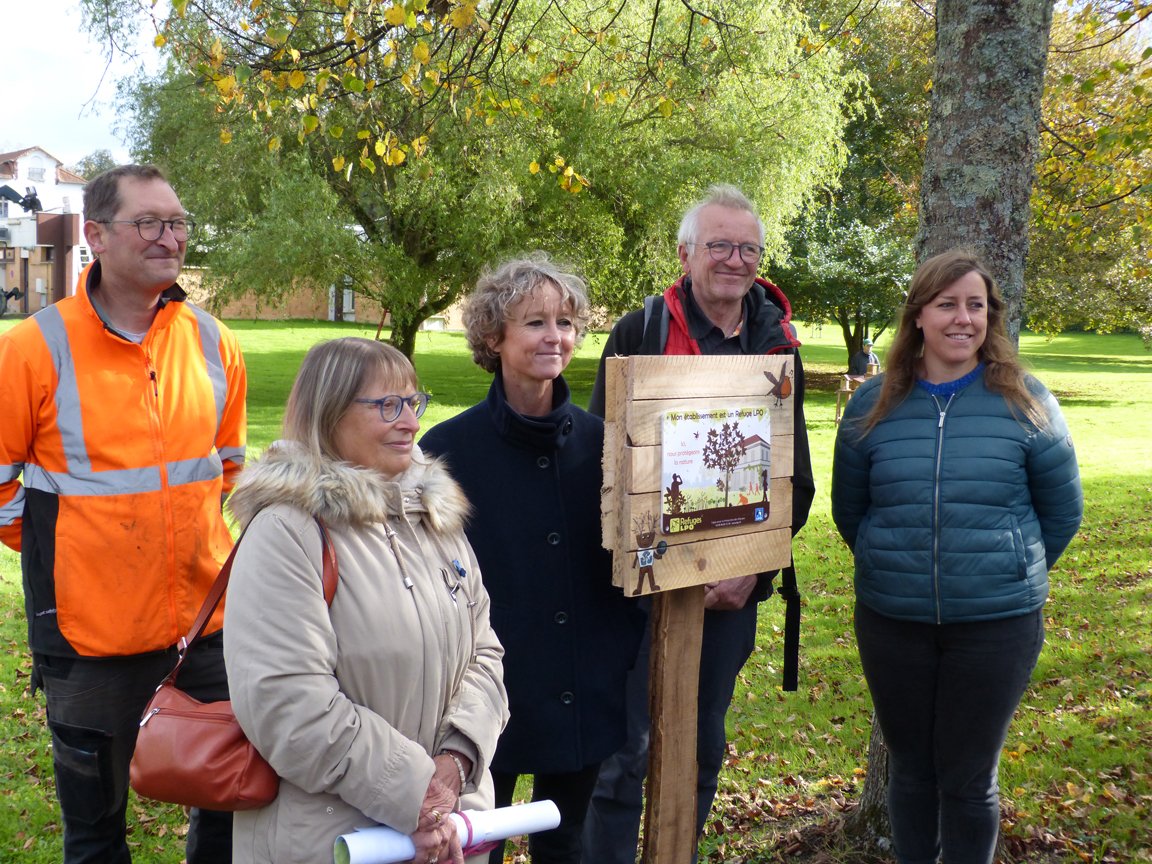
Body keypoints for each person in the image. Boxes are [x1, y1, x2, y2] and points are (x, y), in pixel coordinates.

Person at [0, 164, 247, 863]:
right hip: (86, 638)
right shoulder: (31, 348)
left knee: (229, 811)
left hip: (204, 628)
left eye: (177, 223)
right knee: (96, 834)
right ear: (98, 236)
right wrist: (60, 550)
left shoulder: (214, 343)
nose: (170, 238)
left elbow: (227, 469)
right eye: (150, 223)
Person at [582, 184, 816, 863]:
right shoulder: (642, 330)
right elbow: (607, 459)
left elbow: (794, 475)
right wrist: (645, 560)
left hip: (729, 594)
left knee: (700, 748)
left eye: (748, 248)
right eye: (719, 245)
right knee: (624, 755)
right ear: (686, 253)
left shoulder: (778, 343)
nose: (734, 260)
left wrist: (754, 567)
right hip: (641, 588)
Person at [831, 249, 1083, 864]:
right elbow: (850, 511)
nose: (962, 319)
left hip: (996, 627)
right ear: (919, 315)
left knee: (970, 780)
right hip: (894, 621)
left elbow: (1062, 512)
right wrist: (899, 565)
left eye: (976, 305)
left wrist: (1003, 570)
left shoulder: (1027, 401)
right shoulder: (873, 405)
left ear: (990, 317)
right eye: (947, 305)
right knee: (912, 772)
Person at [223, 337, 509, 864]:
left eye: (412, 402)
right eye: (387, 405)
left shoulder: (433, 520)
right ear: (328, 415)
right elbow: (289, 705)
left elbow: (485, 653)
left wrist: (455, 762)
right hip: (333, 843)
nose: (411, 422)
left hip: (446, 835)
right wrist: (418, 794)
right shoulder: (287, 532)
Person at [421, 255, 646, 864]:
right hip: (487, 692)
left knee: (566, 843)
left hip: (586, 683)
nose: (555, 337)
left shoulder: (609, 444)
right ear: (494, 336)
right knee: (475, 844)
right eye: (535, 323)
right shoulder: (444, 452)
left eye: (566, 322)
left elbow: (638, 554)